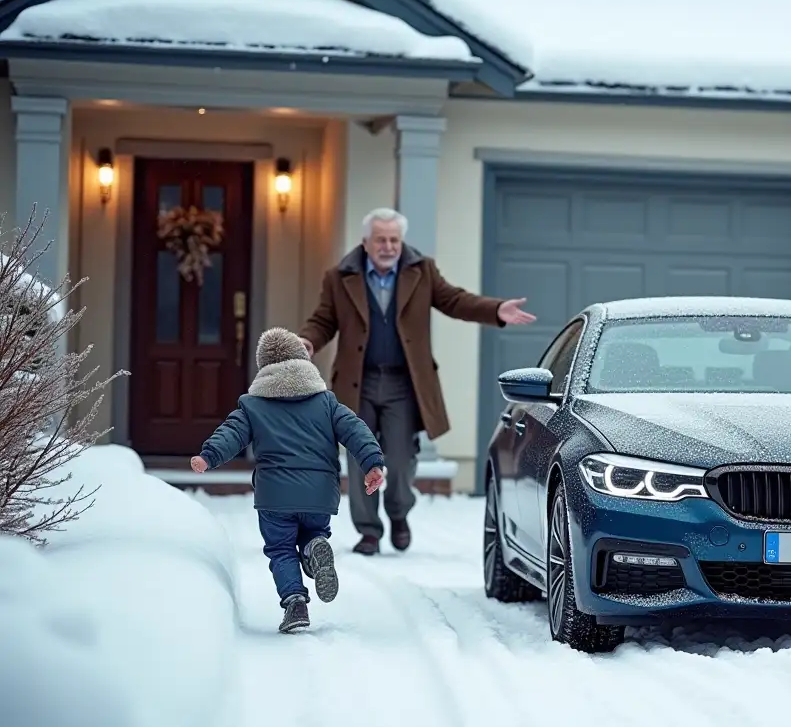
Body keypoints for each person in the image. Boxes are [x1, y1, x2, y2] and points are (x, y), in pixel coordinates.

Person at [297, 207, 535, 555]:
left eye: (394, 239)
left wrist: (494, 310)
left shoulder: (421, 271)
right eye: (381, 240)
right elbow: (323, 320)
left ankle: (399, 513)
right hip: (356, 383)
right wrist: (308, 341)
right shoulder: (339, 277)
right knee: (361, 457)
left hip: (403, 385)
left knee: (399, 459)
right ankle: (369, 532)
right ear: (366, 243)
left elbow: (454, 300)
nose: (389, 246)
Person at [191, 327, 387, 633]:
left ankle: (295, 601)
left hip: (275, 497)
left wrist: (208, 456)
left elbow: (232, 433)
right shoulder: (327, 402)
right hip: (320, 494)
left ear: (263, 366)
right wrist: (372, 463)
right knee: (312, 532)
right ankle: (313, 547)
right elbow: (356, 429)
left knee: (281, 549)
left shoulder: (253, 406)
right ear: (302, 360)